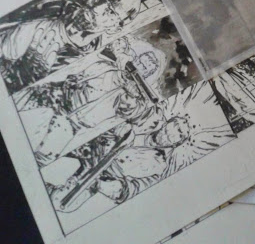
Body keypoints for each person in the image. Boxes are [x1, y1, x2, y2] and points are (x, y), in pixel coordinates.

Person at [16, 37, 164, 165]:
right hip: (59, 96)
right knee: (20, 107)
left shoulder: (136, 98)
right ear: (134, 60)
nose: (140, 67)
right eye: (140, 62)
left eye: (145, 68)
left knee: (45, 155)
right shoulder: (109, 67)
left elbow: (129, 112)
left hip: (75, 123)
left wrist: (130, 97)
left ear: (146, 75)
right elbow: (83, 74)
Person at [0, 0, 142, 92]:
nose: (97, 7)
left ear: (115, 28)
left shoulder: (88, 62)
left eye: (110, 11)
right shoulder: (49, 3)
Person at [50, 116, 191, 211]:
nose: (166, 136)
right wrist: (118, 128)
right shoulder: (146, 122)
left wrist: (107, 186)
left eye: (177, 135)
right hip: (91, 152)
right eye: (168, 130)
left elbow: (135, 188)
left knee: (61, 202)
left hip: (99, 178)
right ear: (166, 123)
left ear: (176, 144)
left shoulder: (158, 166)